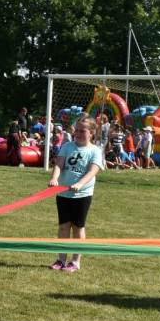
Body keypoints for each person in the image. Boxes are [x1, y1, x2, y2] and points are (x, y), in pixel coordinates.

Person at [47, 116, 104, 272]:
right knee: (63, 226)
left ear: (91, 132)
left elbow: (93, 171)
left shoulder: (95, 151)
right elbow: (59, 164)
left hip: (82, 194)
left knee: (78, 226)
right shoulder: (67, 146)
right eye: (76, 130)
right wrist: (54, 178)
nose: (78, 133)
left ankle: (75, 261)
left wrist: (79, 184)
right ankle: (61, 259)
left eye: (82, 131)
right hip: (63, 193)